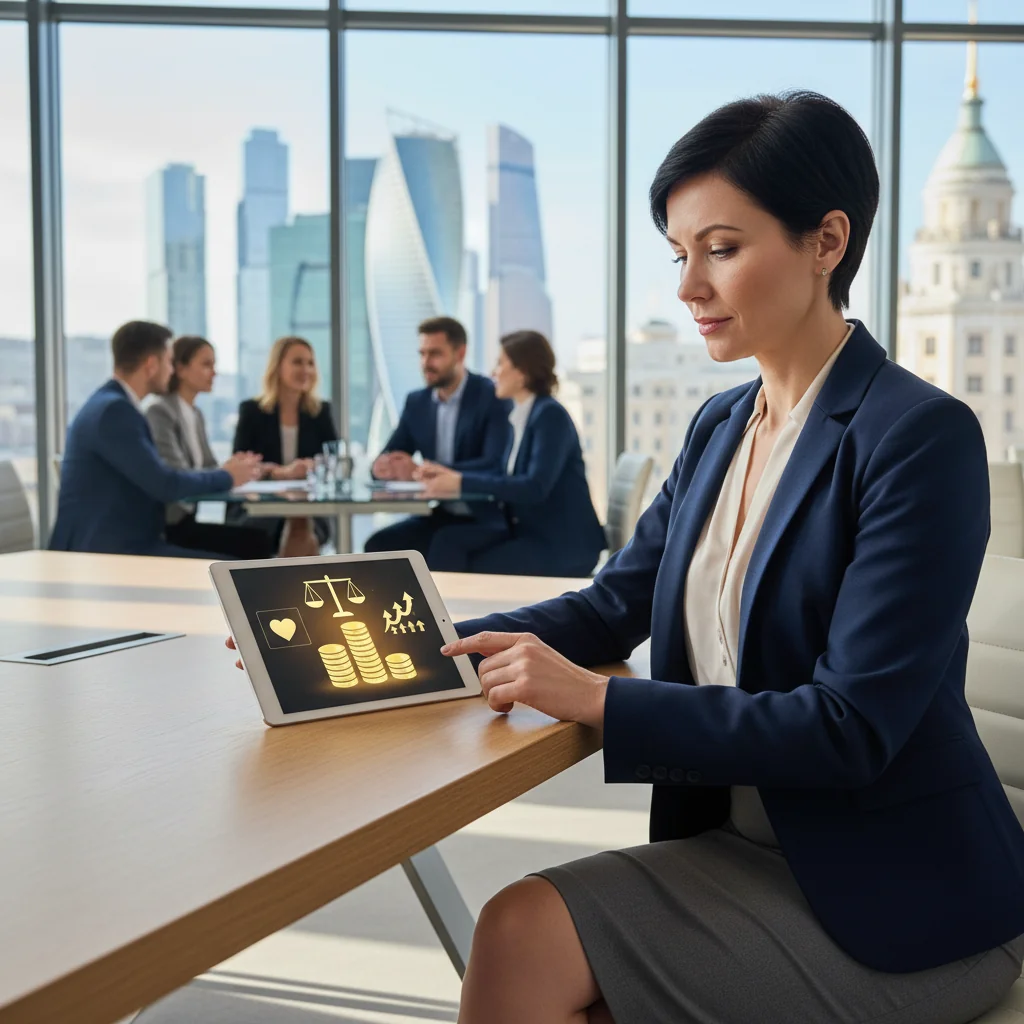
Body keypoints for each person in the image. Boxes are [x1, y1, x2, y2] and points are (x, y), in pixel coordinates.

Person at [438, 92, 1024, 1024]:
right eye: (680, 254)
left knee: (519, 939)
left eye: (721, 248)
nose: (687, 286)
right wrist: (420, 645)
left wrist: (597, 700)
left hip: (902, 895)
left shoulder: (918, 437)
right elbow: (608, 607)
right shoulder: (721, 426)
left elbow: (849, 728)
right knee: (529, 949)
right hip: (739, 847)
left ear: (826, 241)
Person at [50, 321, 262, 557]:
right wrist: (227, 476)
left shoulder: (112, 404)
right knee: (235, 568)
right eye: (169, 362)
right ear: (151, 364)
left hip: (116, 542)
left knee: (245, 553)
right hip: (110, 550)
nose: (172, 371)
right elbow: (164, 484)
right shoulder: (115, 412)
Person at [417, 330, 606, 576]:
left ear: (522, 372)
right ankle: (445, 612)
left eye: (500, 364)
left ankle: (453, 612)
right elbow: (500, 471)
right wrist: (449, 472)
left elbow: (534, 486)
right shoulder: (522, 414)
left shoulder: (550, 416)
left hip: (562, 546)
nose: (493, 373)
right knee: (447, 540)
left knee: (466, 561)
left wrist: (460, 482)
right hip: (530, 532)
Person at [363, 316, 511, 558]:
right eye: (422, 354)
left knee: (444, 545)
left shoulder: (489, 396)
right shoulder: (417, 402)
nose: (425, 363)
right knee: (378, 545)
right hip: (437, 513)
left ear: (460, 353)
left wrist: (420, 471)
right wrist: (382, 467)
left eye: (435, 354)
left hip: (484, 516)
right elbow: (391, 453)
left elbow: (494, 464)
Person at [146, 335, 275, 560]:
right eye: (206, 365)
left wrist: (242, 469)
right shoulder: (160, 412)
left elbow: (209, 468)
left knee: (259, 538)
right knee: (255, 543)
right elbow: (176, 474)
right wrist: (227, 474)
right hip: (166, 527)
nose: (214, 373)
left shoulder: (195, 414)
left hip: (186, 522)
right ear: (181, 368)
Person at [233, 336, 338, 558]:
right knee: (296, 522)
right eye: (297, 362)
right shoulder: (252, 411)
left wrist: (314, 466)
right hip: (260, 507)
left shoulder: (320, 412)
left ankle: (286, 587)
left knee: (301, 519)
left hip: (311, 507)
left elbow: (333, 460)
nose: (306, 370)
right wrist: (280, 473)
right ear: (278, 367)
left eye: (310, 363)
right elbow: (240, 465)